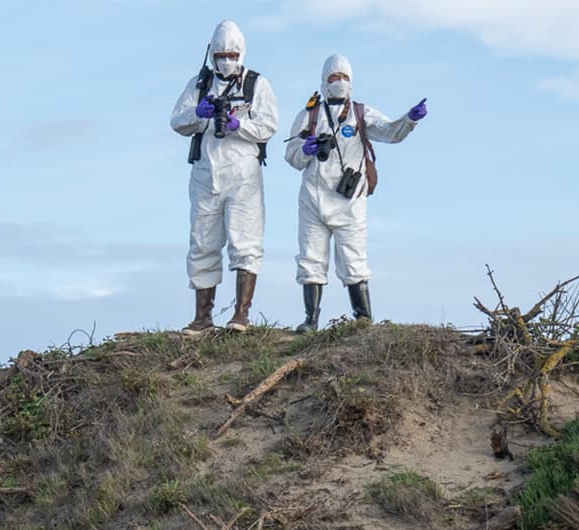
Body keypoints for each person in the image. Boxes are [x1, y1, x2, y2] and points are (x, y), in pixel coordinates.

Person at [284, 53, 426, 330]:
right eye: (334, 77)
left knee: (354, 259)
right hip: (313, 198)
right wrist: (305, 149)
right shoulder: (309, 115)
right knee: (310, 258)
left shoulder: (362, 113)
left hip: (350, 199)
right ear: (324, 82)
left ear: (352, 82)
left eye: (345, 77)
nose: (339, 82)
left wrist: (410, 119)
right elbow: (291, 155)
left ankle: (362, 320)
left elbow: (390, 132)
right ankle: (310, 320)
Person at [171, 20, 279, 334]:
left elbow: (269, 125)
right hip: (206, 172)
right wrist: (199, 114)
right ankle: (202, 317)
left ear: (241, 52)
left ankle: (240, 315)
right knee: (202, 242)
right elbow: (177, 120)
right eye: (221, 54)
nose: (226, 60)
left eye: (231, 54)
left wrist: (238, 125)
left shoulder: (256, 84)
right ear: (212, 54)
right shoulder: (199, 84)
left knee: (245, 241)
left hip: (243, 172)